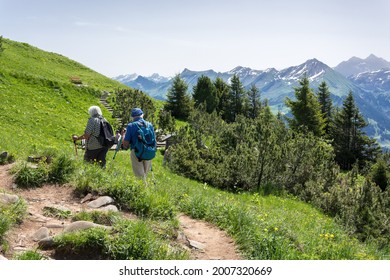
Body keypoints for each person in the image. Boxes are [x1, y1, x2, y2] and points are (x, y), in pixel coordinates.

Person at [122, 108, 155, 179]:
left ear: (132, 117)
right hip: (149, 151)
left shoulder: (131, 126)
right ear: (142, 115)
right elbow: (154, 140)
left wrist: (123, 135)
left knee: (139, 176)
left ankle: (142, 189)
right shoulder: (149, 125)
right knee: (145, 175)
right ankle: (145, 188)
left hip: (136, 151)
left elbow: (126, 144)